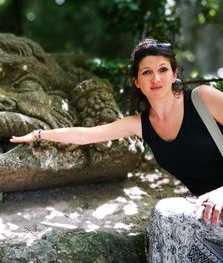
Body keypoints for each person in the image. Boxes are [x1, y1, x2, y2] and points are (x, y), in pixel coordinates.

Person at [11, 38, 223, 262]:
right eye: (147, 72)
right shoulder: (141, 124)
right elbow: (86, 135)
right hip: (210, 212)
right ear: (137, 82)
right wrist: (38, 135)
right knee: (161, 226)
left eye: (163, 69)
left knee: (165, 213)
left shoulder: (203, 98)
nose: (156, 78)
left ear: (174, 74)